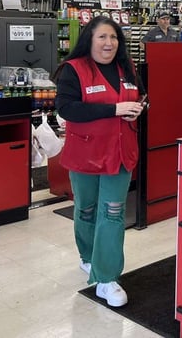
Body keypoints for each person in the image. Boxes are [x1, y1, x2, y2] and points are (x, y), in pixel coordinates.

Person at [54, 16, 146, 308]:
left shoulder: (127, 68)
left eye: (114, 38)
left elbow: (142, 96)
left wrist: (139, 109)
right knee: (87, 209)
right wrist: (114, 109)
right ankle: (87, 256)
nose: (109, 43)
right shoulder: (74, 70)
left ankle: (106, 278)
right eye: (103, 37)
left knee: (113, 212)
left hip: (120, 153)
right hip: (86, 155)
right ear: (89, 40)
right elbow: (68, 109)